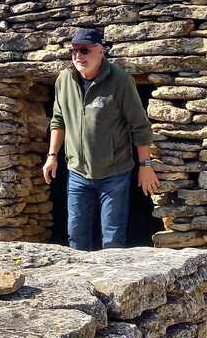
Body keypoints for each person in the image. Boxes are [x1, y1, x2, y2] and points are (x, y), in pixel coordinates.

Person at [43, 27, 158, 250]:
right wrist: (52, 156)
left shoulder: (120, 81)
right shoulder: (64, 80)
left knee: (113, 241)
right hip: (77, 172)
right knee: (76, 237)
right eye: (74, 50)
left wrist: (145, 165)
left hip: (114, 174)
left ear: (100, 51)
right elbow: (58, 120)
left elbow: (140, 126)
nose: (78, 56)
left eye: (84, 50)